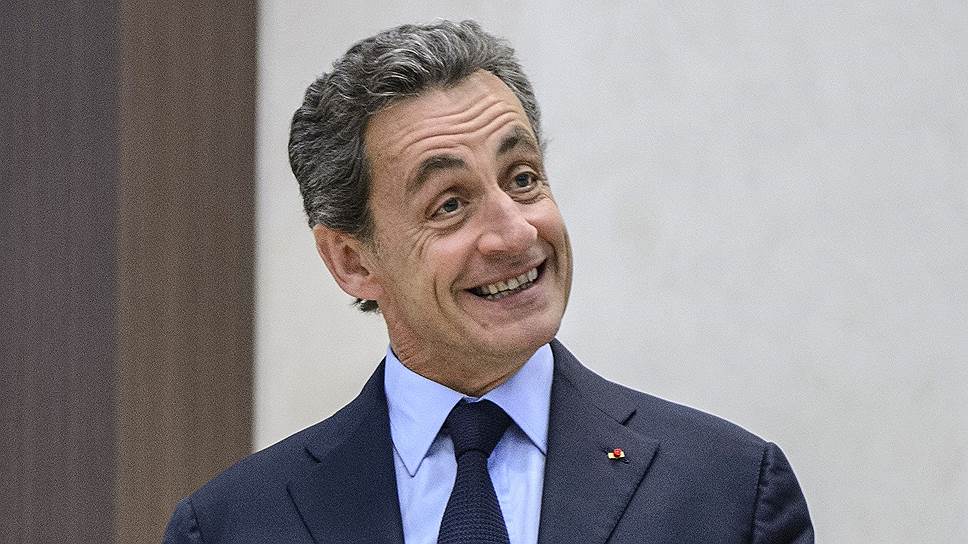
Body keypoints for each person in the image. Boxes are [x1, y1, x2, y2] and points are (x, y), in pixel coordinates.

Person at [164, 20, 813, 543]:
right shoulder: (231, 526)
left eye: (523, 178)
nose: (516, 234)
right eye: (449, 204)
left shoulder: (727, 492)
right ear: (353, 262)